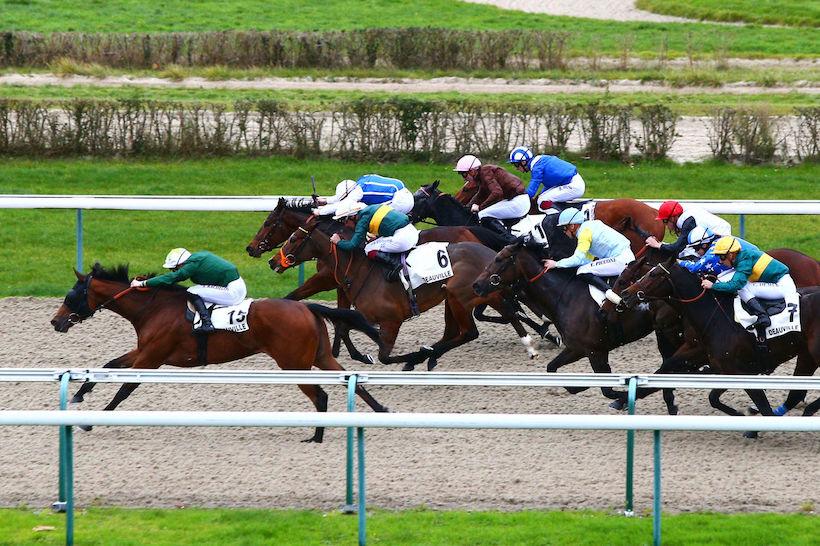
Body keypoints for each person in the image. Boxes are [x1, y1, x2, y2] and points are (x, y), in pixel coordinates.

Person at [702, 236, 797, 341]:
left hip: (783, 287)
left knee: (743, 287)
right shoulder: (743, 257)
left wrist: (713, 286)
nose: (720, 261)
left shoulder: (745, 261)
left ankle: (763, 316)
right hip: (778, 282)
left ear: (731, 254)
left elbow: (736, 285)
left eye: (722, 257)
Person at [130, 248, 247, 333]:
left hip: (233, 292)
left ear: (180, 264)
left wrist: (142, 283)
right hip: (235, 286)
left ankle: (207, 324)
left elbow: (171, 278)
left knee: (192, 291)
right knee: (198, 291)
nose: (173, 271)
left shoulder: (192, 265)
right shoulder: (196, 258)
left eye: (174, 268)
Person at [540, 207, 635, 306]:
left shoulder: (584, 234)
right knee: (586, 268)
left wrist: (556, 264)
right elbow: (587, 259)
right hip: (623, 256)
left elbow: (578, 259)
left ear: (572, 226)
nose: (564, 232)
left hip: (620, 260)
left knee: (582, 271)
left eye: (564, 228)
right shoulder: (591, 226)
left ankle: (612, 297)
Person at [330, 201, 420, 282]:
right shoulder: (371, 207)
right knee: (374, 242)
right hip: (412, 231)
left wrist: (338, 242)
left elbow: (352, 245)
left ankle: (395, 265)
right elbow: (387, 225)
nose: (345, 225)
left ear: (353, 216)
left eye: (344, 221)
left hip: (404, 240)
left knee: (368, 248)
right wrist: (377, 237)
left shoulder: (362, 221)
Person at [453, 154, 530, 237]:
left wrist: (480, 207)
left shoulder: (485, 172)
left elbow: (497, 193)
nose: (463, 178)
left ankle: (508, 239)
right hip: (514, 200)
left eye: (463, 174)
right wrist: (467, 208)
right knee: (483, 212)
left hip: (518, 202)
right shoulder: (482, 175)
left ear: (472, 171)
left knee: (482, 215)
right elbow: (480, 194)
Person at [508, 146, 585, 211]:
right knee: (542, 197)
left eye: (516, 165)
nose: (516, 168)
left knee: (542, 201)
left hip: (574, 185)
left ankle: (557, 219)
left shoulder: (537, 168)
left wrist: (520, 201)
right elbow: (548, 186)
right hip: (571, 182)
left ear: (523, 162)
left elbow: (531, 191)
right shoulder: (539, 162)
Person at [647, 200, 731, 258]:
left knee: (684, 255)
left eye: (665, 221)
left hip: (721, 245)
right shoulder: (688, 216)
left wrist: (658, 245)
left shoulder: (688, 222)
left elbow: (677, 248)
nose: (666, 226)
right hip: (720, 240)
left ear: (672, 218)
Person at [314, 174, 414, 217]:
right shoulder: (359, 182)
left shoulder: (360, 194)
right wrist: (326, 201)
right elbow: (343, 197)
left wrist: (320, 212)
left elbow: (343, 204)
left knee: (371, 218)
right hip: (405, 192)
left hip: (400, 202)